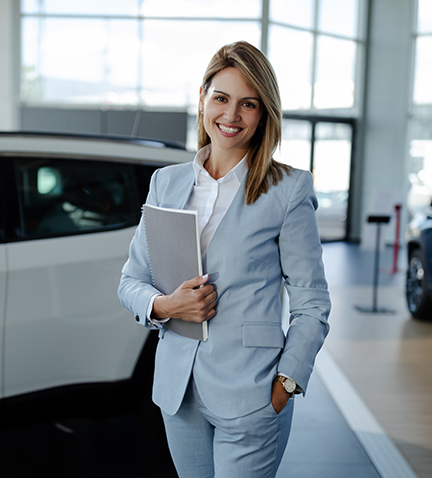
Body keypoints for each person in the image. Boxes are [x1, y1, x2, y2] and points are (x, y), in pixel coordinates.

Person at [118, 41, 330, 478]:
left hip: (252, 393)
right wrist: (165, 306)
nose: (231, 116)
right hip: (179, 393)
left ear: (263, 112)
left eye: (248, 104)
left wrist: (286, 384)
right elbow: (131, 281)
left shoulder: (287, 189)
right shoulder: (167, 183)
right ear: (202, 99)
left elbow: (312, 304)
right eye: (221, 98)